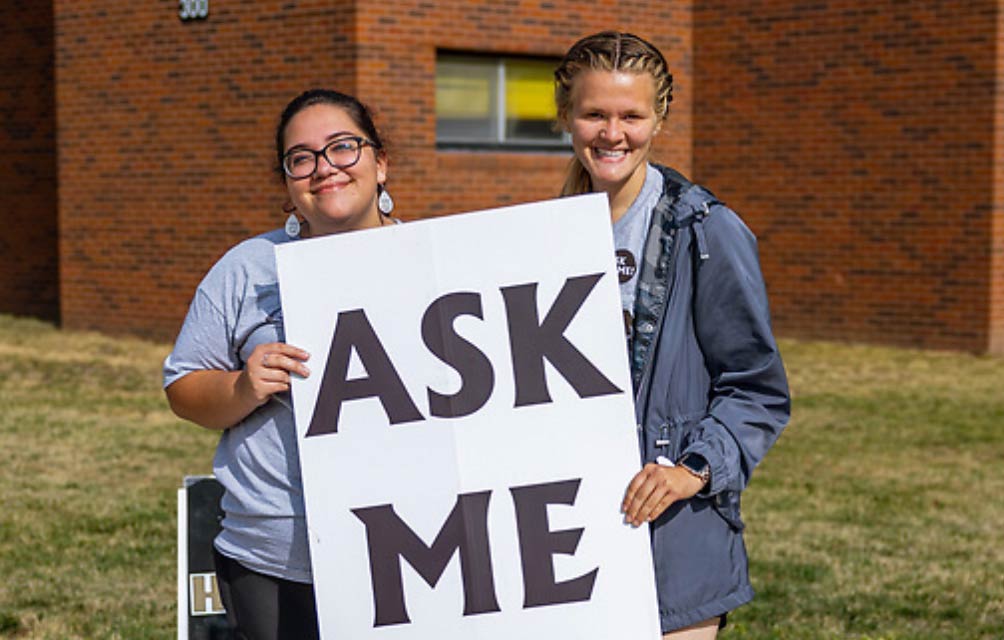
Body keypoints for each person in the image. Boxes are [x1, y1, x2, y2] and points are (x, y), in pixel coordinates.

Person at [554, 32, 791, 639]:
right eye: (594, 114)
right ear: (566, 117)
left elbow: (757, 388)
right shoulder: (543, 236)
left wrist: (694, 469)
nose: (613, 134)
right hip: (566, 534)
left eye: (631, 115)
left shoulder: (706, 232)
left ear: (659, 119)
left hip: (675, 537)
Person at [163, 88, 397, 639]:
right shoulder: (246, 269)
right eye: (301, 158)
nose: (324, 169)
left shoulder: (438, 263)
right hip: (274, 556)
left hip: (409, 545)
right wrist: (244, 387)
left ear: (380, 163)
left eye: (343, 147)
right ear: (288, 184)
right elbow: (183, 387)